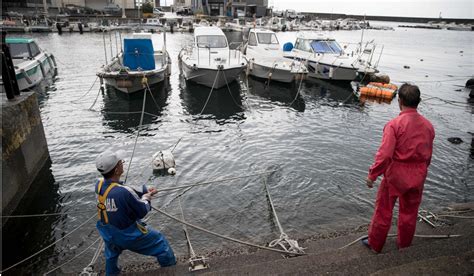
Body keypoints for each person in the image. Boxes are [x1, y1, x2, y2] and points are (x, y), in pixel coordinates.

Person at [363, 84, 435, 253]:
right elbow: (428, 155)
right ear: (419, 101)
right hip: (418, 175)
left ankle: (375, 244)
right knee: (409, 213)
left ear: (399, 101)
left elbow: (385, 155)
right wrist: (422, 171)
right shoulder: (428, 126)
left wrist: (372, 175)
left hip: (395, 175)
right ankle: (404, 246)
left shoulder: (394, 125)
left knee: (383, 211)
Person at [95, 149, 176, 275]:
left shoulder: (99, 185)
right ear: (116, 170)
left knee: (111, 255)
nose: (122, 163)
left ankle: (111, 274)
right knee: (160, 242)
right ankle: (171, 270)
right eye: (120, 162)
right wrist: (146, 197)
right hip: (127, 234)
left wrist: (144, 189)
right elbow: (142, 210)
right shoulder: (124, 192)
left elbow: (116, 187)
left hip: (108, 231)